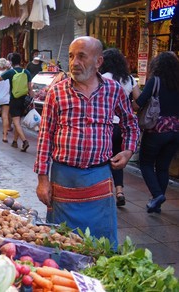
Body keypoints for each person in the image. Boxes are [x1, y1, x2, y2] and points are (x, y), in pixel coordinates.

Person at [34, 36, 139, 249]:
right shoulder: (57, 91)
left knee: (102, 244)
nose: (74, 62)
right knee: (62, 242)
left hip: (99, 177)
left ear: (98, 61)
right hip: (64, 177)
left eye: (81, 56)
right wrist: (42, 180)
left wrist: (128, 151)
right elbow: (45, 136)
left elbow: (130, 123)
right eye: (71, 56)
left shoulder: (113, 90)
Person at [132, 51, 179, 214]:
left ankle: (157, 195)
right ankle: (157, 203)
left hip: (156, 129)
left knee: (145, 163)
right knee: (163, 167)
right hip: (175, 130)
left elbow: (139, 103)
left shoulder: (155, 81)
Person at [99, 48, 141, 207]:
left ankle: (106, 191)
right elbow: (139, 100)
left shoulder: (102, 78)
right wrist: (129, 107)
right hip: (122, 127)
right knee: (119, 159)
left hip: (107, 126)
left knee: (104, 159)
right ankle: (119, 191)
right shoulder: (130, 79)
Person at [0, 53, 31, 152]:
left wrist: (7, 69)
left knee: (16, 122)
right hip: (24, 99)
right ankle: (15, 142)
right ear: (20, 61)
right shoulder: (27, 72)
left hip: (14, 99)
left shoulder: (11, 72)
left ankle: (24, 141)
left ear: (11, 62)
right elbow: (30, 88)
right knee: (18, 122)